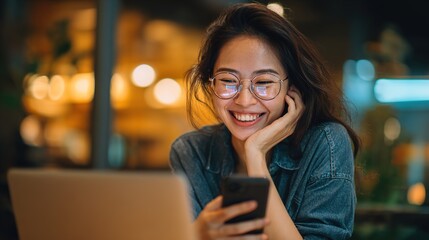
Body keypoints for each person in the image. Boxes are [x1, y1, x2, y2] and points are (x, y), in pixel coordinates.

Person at [170, 2, 360, 240]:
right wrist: (195, 234)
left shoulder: (326, 143)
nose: (245, 100)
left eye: (264, 83)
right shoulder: (190, 152)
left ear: (291, 89)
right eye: (229, 80)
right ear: (211, 84)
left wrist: (255, 155)